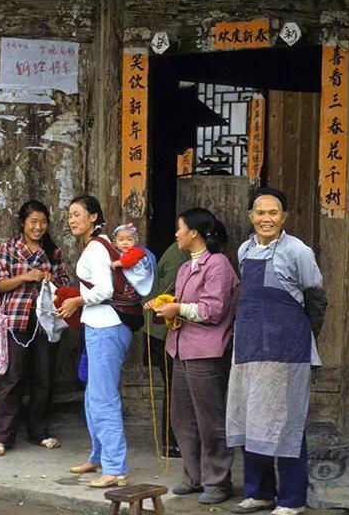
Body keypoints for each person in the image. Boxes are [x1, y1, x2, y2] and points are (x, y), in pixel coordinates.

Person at [227, 188, 327, 515]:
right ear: (250, 216)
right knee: (250, 418)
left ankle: (291, 500)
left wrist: (303, 338)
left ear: (284, 216)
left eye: (273, 213)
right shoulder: (244, 250)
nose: (266, 219)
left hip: (288, 350)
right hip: (250, 348)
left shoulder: (298, 251)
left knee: (286, 423)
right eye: (260, 212)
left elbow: (316, 299)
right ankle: (260, 493)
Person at [146, 208, 239, 505]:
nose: (176, 234)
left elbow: (212, 310)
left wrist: (179, 309)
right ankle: (193, 475)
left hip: (207, 352)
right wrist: (166, 305)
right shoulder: (186, 267)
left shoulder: (219, 265)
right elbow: (185, 304)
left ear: (195, 233)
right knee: (183, 418)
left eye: (180, 228)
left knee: (211, 420)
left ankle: (218, 481)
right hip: (181, 349)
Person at [56, 195, 131, 489]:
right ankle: (98, 455)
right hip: (100, 327)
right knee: (93, 395)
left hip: (106, 328)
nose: (72, 219)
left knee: (103, 397)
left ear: (94, 217)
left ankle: (116, 468)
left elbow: (105, 288)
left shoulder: (97, 249)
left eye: (77, 214)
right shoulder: (96, 246)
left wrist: (75, 300)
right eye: (70, 215)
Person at [0, 200, 71, 458]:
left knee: (44, 378)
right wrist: (25, 276)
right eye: (33, 222)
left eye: (43, 222)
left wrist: (51, 278)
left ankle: (39, 432)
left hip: (45, 321)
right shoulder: (9, 248)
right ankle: (2, 437)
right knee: (13, 379)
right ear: (22, 222)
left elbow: (66, 284)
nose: (38, 227)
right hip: (17, 320)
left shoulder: (52, 251)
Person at [143, 241, 189, 460]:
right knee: (173, 387)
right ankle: (171, 444)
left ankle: (173, 443)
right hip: (162, 332)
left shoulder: (178, 253)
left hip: (162, 331)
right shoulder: (179, 258)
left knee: (174, 387)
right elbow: (169, 293)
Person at [109, 223, 156, 299]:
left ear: (135, 241)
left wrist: (119, 263)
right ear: (115, 243)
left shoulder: (137, 251)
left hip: (134, 283)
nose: (125, 242)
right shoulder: (118, 252)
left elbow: (128, 260)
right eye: (121, 240)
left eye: (130, 240)